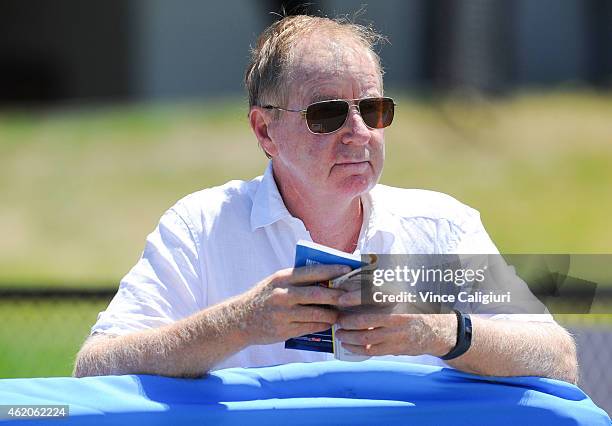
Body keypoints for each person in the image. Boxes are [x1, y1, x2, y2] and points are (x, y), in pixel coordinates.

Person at [73, 15, 578, 382]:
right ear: (265, 130)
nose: (359, 133)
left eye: (375, 109)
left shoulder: (442, 225)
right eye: (328, 114)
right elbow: (95, 366)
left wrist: (441, 333)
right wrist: (238, 325)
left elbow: (558, 358)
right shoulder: (201, 226)